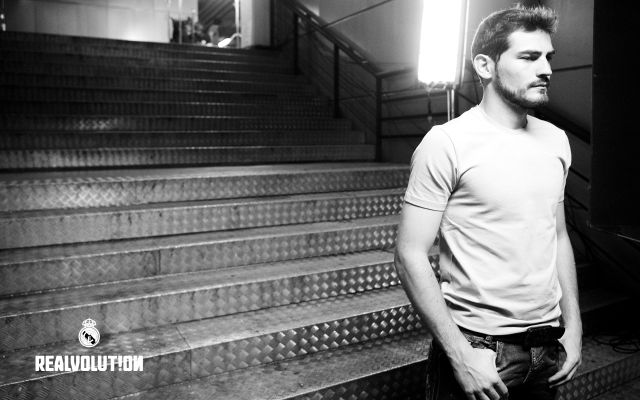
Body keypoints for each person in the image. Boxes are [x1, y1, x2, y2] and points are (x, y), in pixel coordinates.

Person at [394, 5, 582, 400]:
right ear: (485, 66)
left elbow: (558, 235)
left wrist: (574, 326)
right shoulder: (446, 143)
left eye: (548, 57)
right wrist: (460, 354)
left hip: (547, 346)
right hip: (480, 350)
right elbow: (409, 254)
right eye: (529, 57)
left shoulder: (556, 140)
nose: (546, 69)